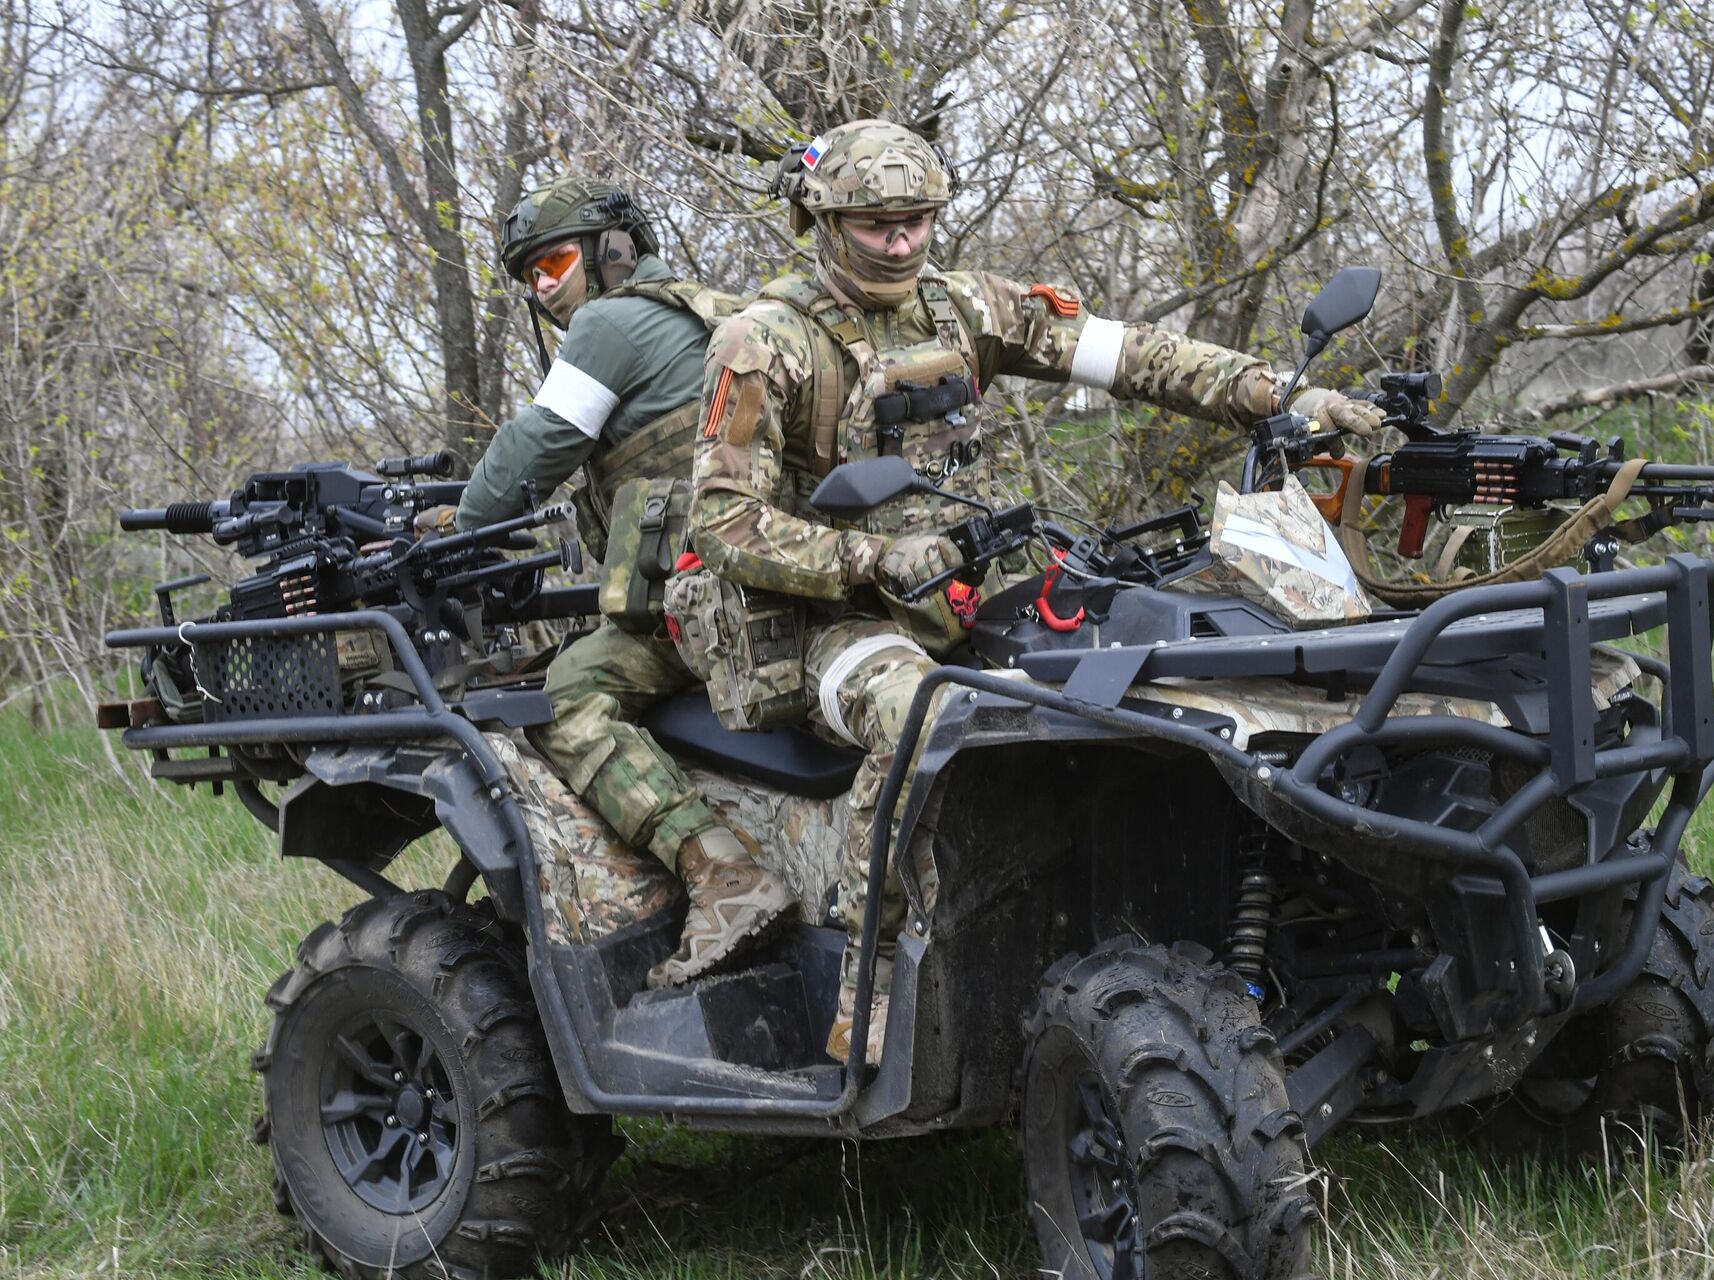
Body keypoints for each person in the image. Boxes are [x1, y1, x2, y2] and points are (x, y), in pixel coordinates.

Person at [685, 120, 1385, 1064]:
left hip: (963, 593)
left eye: (918, 222)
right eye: (876, 225)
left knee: (1148, 677)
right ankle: (868, 977)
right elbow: (721, 524)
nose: (901, 243)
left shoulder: (966, 308)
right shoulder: (762, 342)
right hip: (830, 623)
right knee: (920, 714)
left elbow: (1131, 354)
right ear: (824, 217)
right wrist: (864, 562)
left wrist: (1275, 398)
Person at [444, 177, 795, 987]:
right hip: (770, 583)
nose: (544, 287)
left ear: (611, 253)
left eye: (555, 262)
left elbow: (534, 450)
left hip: (709, 606)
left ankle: (722, 876)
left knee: (565, 690)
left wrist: (458, 525)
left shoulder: (608, 324)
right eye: (529, 275)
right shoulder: (705, 310)